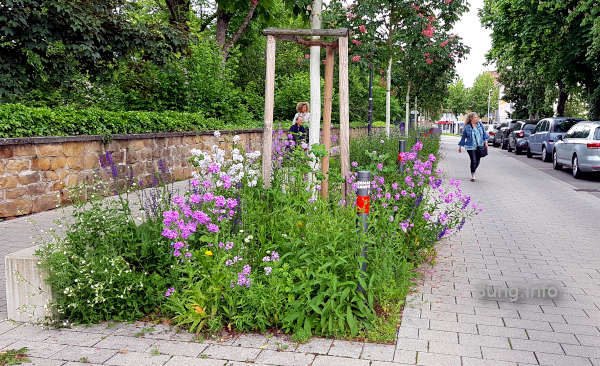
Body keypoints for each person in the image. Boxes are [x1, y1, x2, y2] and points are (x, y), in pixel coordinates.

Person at [458, 112, 489, 181]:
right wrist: (460, 146)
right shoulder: (467, 127)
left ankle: (473, 169)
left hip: (479, 146)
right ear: (471, 118)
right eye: (475, 117)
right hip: (470, 146)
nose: (477, 118)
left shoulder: (480, 125)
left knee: (478, 161)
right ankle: (473, 175)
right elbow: (463, 137)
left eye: (477, 117)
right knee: (473, 160)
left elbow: (484, 134)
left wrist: (486, 142)